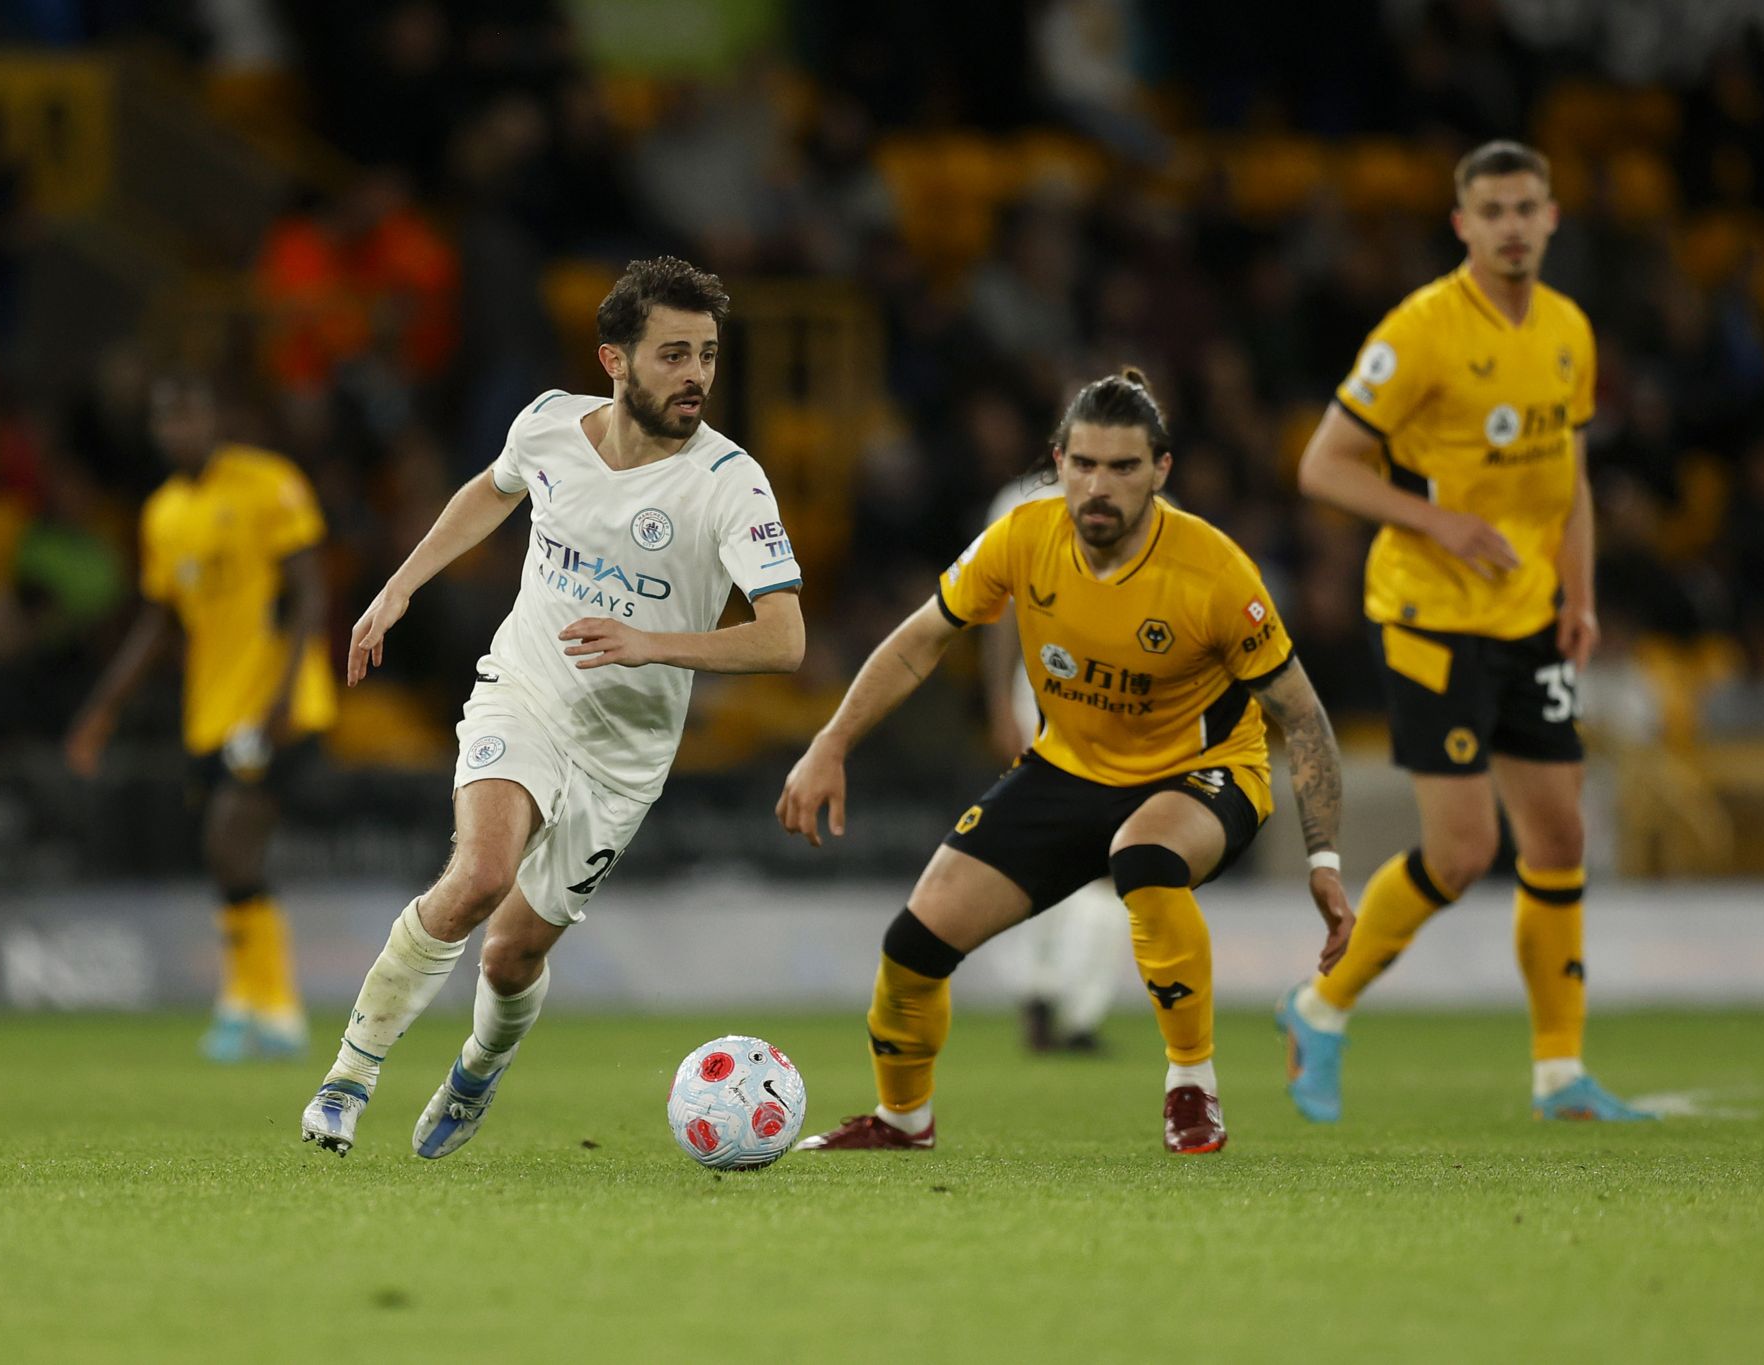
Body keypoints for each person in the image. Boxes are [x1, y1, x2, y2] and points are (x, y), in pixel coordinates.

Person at [298, 257, 805, 1157]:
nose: (696, 376)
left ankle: (477, 1071)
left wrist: (654, 642)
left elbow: (784, 639)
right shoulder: (546, 424)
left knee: (511, 952)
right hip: (526, 689)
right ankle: (348, 1078)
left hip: (627, 753)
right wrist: (400, 587)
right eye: (674, 354)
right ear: (615, 360)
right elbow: (492, 491)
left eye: (709, 355)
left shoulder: (731, 482)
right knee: (480, 874)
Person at [779, 369, 1353, 1155]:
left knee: (1145, 859)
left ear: (1161, 470)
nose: (1100, 486)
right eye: (1084, 464)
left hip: (1202, 773)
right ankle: (902, 1120)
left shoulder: (1213, 571)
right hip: (1068, 769)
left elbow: (1305, 714)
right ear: (1058, 462)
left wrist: (1324, 856)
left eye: (1123, 467)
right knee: (913, 944)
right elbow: (921, 639)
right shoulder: (1023, 536)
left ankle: (1192, 1084)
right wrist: (832, 740)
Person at [1290, 140, 1650, 1122]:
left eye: (1525, 207)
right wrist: (1434, 518)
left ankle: (1558, 1073)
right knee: (1459, 851)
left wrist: (1576, 598)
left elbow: (1566, 482)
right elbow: (1322, 466)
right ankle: (1318, 1008)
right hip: (1428, 615)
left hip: (1528, 615)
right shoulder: (1419, 331)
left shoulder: (1568, 330)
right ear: (1461, 225)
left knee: (1559, 833)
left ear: (1550, 216)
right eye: (1490, 211)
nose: (1510, 226)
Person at [65, 374, 333, 1061]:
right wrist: (102, 709)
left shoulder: (268, 483)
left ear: (215, 417)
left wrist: (283, 695)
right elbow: (159, 622)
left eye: (190, 415)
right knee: (227, 860)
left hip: (278, 708)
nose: (179, 431)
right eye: (167, 420)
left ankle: (269, 1005)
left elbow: (310, 591)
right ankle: (255, 1006)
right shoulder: (163, 513)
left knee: (226, 840)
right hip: (210, 714)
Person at [980, 470, 1131, 1054]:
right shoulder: (1021, 502)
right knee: (1045, 845)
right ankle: (1043, 1000)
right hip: (1043, 686)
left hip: (1126, 692)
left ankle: (1078, 1012)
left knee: (1109, 859)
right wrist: (998, 701)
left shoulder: (1161, 505)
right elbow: (997, 606)